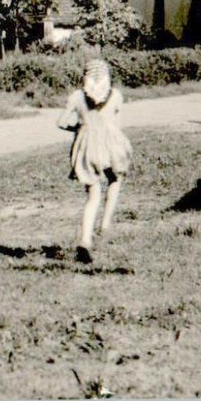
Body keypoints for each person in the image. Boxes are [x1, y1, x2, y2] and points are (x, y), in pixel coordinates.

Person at [57, 58, 133, 264]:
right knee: (116, 179)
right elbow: (117, 123)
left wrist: (80, 128)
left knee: (92, 194)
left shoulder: (76, 96)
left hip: (87, 147)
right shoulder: (115, 95)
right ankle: (106, 223)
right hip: (110, 145)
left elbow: (62, 122)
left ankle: (84, 240)